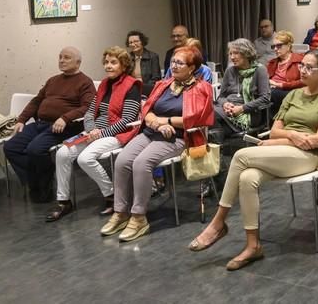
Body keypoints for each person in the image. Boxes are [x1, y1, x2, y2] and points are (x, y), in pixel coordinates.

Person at [188, 50, 318, 270]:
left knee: (241, 156)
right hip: (285, 150)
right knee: (248, 178)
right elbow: (274, 132)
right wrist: (290, 136)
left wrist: (280, 140)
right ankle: (253, 246)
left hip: (309, 158)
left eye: (310, 67)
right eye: (302, 66)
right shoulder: (293, 95)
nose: (303, 70)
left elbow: (317, 141)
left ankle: (218, 222)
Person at [100, 46, 214, 241]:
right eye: (173, 62)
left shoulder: (201, 88)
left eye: (180, 63)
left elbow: (195, 119)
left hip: (179, 137)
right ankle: (120, 212)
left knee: (141, 163)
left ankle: (138, 217)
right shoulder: (164, 84)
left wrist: (166, 122)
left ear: (192, 67)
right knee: (122, 161)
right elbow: (148, 109)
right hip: (152, 131)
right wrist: (156, 123)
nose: (174, 66)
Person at [47, 47, 141, 221]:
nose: (108, 66)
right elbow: (90, 112)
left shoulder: (132, 85)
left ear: (124, 64)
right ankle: (63, 202)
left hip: (118, 134)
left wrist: (101, 133)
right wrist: (91, 130)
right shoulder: (105, 84)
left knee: (85, 158)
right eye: (106, 62)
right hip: (94, 132)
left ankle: (112, 197)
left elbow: (127, 119)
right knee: (62, 153)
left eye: (113, 62)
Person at [4, 47, 95, 203]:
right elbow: (36, 101)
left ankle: (42, 184)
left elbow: (88, 107)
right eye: (60, 57)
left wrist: (65, 118)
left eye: (67, 57)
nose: (61, 60)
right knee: (11, 147)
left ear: (78, 62)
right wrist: (21, 120)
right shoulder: (53, 80)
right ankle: (38, 179)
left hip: (63, 126)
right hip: (40, 123)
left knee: (35, 149)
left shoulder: (85, 82)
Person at [212, 39, 270, 141]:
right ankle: (220, 147)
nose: (232, 57)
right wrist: (225, 104)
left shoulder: (259, 70)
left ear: (246, 53)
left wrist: (242, 108)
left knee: (212, 117)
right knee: (206, 115)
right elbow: (221, 97)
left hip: (249, 113)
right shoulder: (230, 70)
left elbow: (265, 98)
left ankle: (218, 148)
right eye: (230, 54)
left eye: (236, 53)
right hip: (227, 110)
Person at [267, 30, 304, 114]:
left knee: (271, 94)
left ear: (288, 46)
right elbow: (265, 78)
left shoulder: (300, 60)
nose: (275, 49)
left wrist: (280, 85)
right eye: (274, 46)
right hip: (272, 91)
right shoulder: (272, 62)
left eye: (279, 46)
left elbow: (304, 82)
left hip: (291, 92)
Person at [126, 30, 161, 96]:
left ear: (142, 42)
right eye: (130, 42)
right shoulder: (127, 57)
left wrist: (143, 87)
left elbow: (156, 78)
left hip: (148, 90)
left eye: (136, 41)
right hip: (131, 89)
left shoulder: (153, 56)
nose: (133, 44)